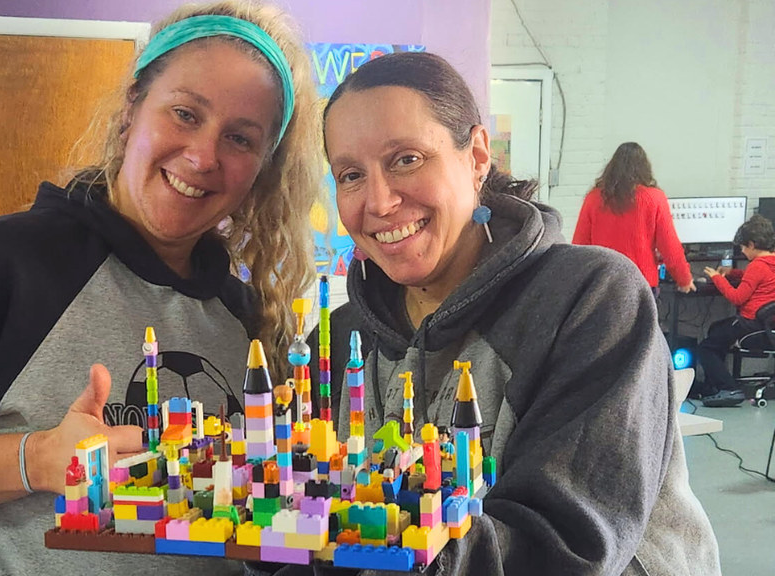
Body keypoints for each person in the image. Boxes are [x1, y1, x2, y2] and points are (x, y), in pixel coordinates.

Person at [0, 3, 322, 575]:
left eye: (240, 139)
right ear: (132, 109)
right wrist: (37, 460)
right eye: (184, 113)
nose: (203, 156)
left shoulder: (244, 317)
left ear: (263, 167)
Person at [310, 51, 720, 575]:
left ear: (478, 156)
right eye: (350, 175)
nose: (380, 201)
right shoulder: (342, 338)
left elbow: (568, 548)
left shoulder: (588, 300)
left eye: (406, 159)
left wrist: (386, 540)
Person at [573, 142, 694, 295]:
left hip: (602, 284)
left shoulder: (593, 198)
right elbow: (670, 246)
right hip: (641, 284)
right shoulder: (655, 198)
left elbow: (580, 245)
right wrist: (684, 279)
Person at [697, 215, 775, 407]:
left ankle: (729, 388)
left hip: (750, 324)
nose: (742, 251)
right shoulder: (769, 263)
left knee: (706, 347)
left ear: (752, 244)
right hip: (766, 325)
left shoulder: (757, 266)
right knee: (716, 329)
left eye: (743, 247)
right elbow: (757, 280)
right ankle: (716, 385)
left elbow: (737, 297)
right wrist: (733, 273)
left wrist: (717, 278)